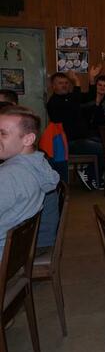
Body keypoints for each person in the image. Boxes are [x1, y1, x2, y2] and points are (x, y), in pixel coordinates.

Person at [0, 105, 60, 255]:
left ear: (28, 139)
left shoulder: (10, 175)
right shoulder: (38, 164)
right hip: (18, 251)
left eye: (3, 133)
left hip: (4, 253)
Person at [47, 69, 103, 189]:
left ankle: (91, 174)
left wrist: (91, 79)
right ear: (53, 86)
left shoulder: (69, 97)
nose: (64, 85)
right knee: (102, 149)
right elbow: (75, 103)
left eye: (66, 83)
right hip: (68, 143)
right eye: (60, 83)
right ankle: (89, 175)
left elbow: (89, 97)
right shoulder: (54, 102)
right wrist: (76, 82)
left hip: (81, 138)